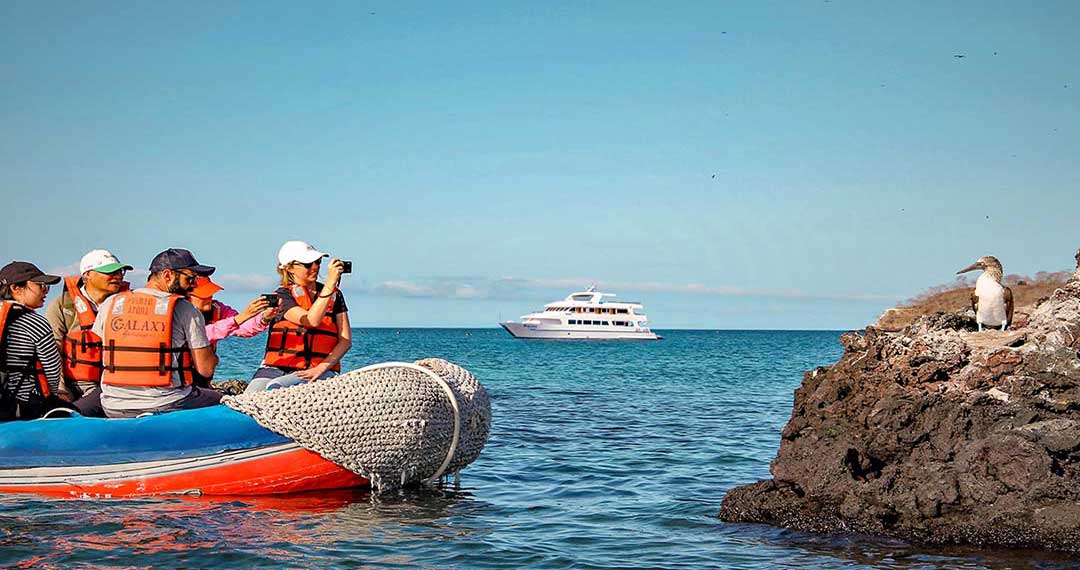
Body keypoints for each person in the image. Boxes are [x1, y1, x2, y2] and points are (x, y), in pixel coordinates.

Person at [92, 248, 221, 418]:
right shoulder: (185, 309)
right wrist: (214, 357)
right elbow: (206, 369)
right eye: (189, 278)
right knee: (226, 400)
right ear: (167, 275)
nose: (194, 284)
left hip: (112, 404)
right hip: (167, 403)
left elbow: (100, 344)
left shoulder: (111, 304)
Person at [246, 240, 351, 392]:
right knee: (250, 396)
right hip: (275, 368)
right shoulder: (284, 296)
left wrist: (320, 368)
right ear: (290, 268)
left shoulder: (334, 296)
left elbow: (345, 341)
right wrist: (330, 283)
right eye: (308, 264)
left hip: (319, 369)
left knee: (275, 388)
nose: (315, 267)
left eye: (318, 262)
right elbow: (310, 320)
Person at [44, 249, 133, 416]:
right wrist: (61, 390)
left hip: (116, 387)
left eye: (120, 271)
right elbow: (52, 350)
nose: (118, 276)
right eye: (109, 272)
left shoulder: (129, 305)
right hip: (74, 388)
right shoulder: (62, 306)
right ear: (87, 275)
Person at [0, 262, 64, 420]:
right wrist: (52, 398)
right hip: (23, 406)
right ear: (16, 288)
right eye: (41, 286)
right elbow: (52, 370)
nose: (45, 292)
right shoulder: (35, 322)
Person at [186, 275, 276, 387]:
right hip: (180, 377)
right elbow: (201, 334)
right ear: (188, 296)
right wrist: (243, 316)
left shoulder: (218, 309)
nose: (209, 297)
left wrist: (264, 318)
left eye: (211, 293)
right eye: (204, 295)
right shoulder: (180, 313)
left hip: (203, 376)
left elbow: (242, 327)